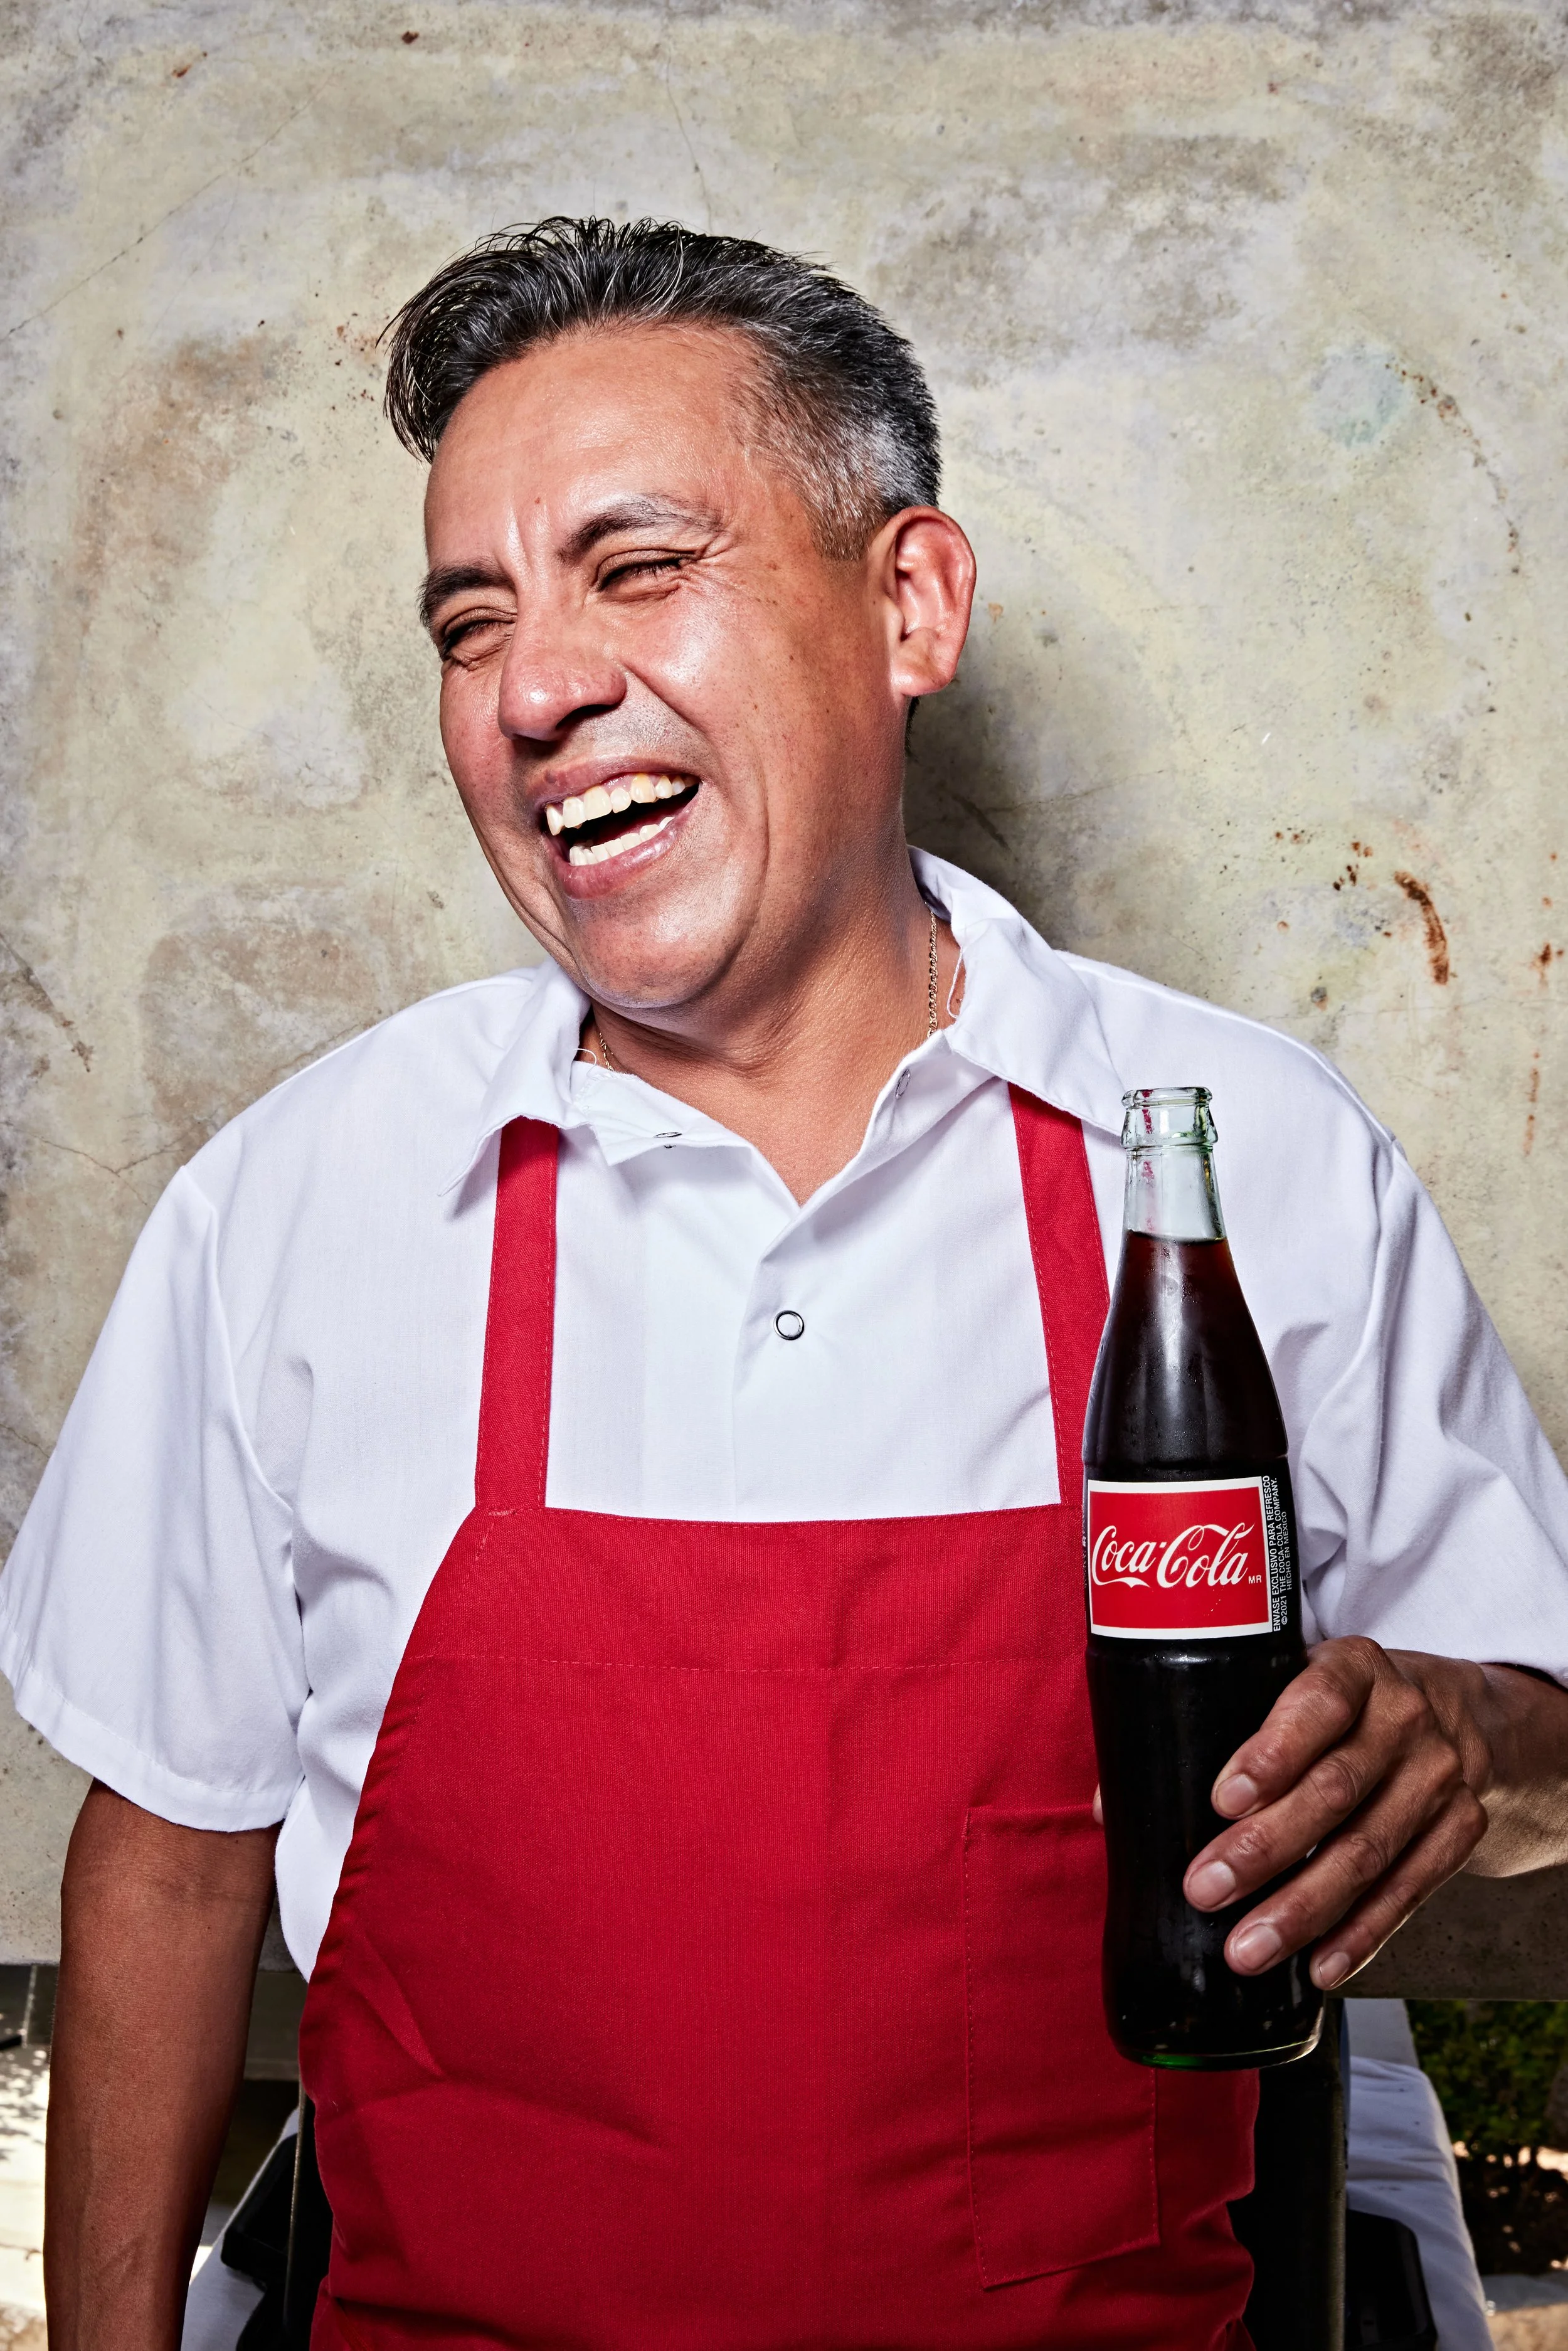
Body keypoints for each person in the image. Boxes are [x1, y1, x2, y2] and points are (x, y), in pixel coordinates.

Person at [3, 216, 1567, 2351]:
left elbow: (1542, 1715)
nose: (537, 683)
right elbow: (169, 1864)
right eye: (475, 620)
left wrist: (1465, 1735)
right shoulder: (299, 1205)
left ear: (909, 602)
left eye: (636, 569)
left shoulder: (1250, 1159)